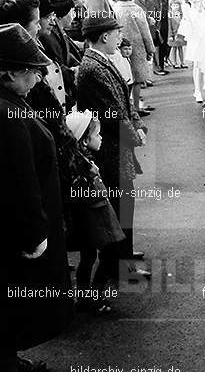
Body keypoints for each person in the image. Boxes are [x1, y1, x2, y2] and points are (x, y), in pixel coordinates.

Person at [0, 23, 73, 372]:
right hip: (21, 232)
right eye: (31, 72)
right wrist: (36, 235)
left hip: (19, 226)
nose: (37, 79)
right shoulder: (8, 114)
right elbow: (20, 179)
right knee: (17, 298)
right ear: (11, 72)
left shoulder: (10, 103)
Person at [76, 16, 150, 278]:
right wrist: (135, 135)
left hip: (118, 146)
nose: (121, 38)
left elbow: (125, 100)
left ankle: (125, 256)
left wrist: (138, 123)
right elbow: (113, 113)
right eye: (117, 33)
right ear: (105, 36)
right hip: (110, 151)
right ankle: (119, 268)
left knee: (124, 205)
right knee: (119, 207)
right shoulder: (93, 68)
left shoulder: (102, 61)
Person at [65, 109, 125, 315]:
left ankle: (86, 297)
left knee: (89, 256)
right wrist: (92, 178)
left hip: (95, 215)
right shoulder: (81, 167)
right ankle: (94, 295)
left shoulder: (83, 160)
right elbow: (81, 195)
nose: (100, 138)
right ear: (83, 141)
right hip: (93, 218)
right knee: (107, 254)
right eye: (96, 135)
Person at [112, 0, 155, 116]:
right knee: (137, 78)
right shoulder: (136, 9)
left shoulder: (114, 8)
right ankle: (136, 107)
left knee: (123, 77)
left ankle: (126, 107)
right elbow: (145, 30)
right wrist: (150, 49)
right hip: (136, 46)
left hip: (118, 45)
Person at [147, 0, 174, 76]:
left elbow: (172, 1)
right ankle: (157, 67)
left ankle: (161, 66)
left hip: (165, 21)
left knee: (163, 44)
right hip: (155, 21)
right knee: (157, 43)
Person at [167, 0, 186, 69]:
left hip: (180, 33)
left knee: (180, 48)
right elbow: (169, 26)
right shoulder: (170, 15)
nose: (175, 7)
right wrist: (170, 35)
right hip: (174, 34)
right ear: (171, 6)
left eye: (177, 5)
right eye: (173, 5)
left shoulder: (181, 14)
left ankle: (182, 62)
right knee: (174, 48)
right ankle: (174, 62)